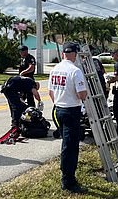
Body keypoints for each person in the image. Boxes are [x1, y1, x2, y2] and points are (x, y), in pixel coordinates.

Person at [48, 42, 88, 194]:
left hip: (59, 109)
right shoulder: (75, 71)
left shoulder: (55, 69)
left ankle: (67, 175)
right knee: (70, 147)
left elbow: (51, 92)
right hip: (72, 110)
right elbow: (82, 94)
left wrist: (59, 102)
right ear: (74, 54)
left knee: (66, 143)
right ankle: (68, 180)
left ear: (64, 53)